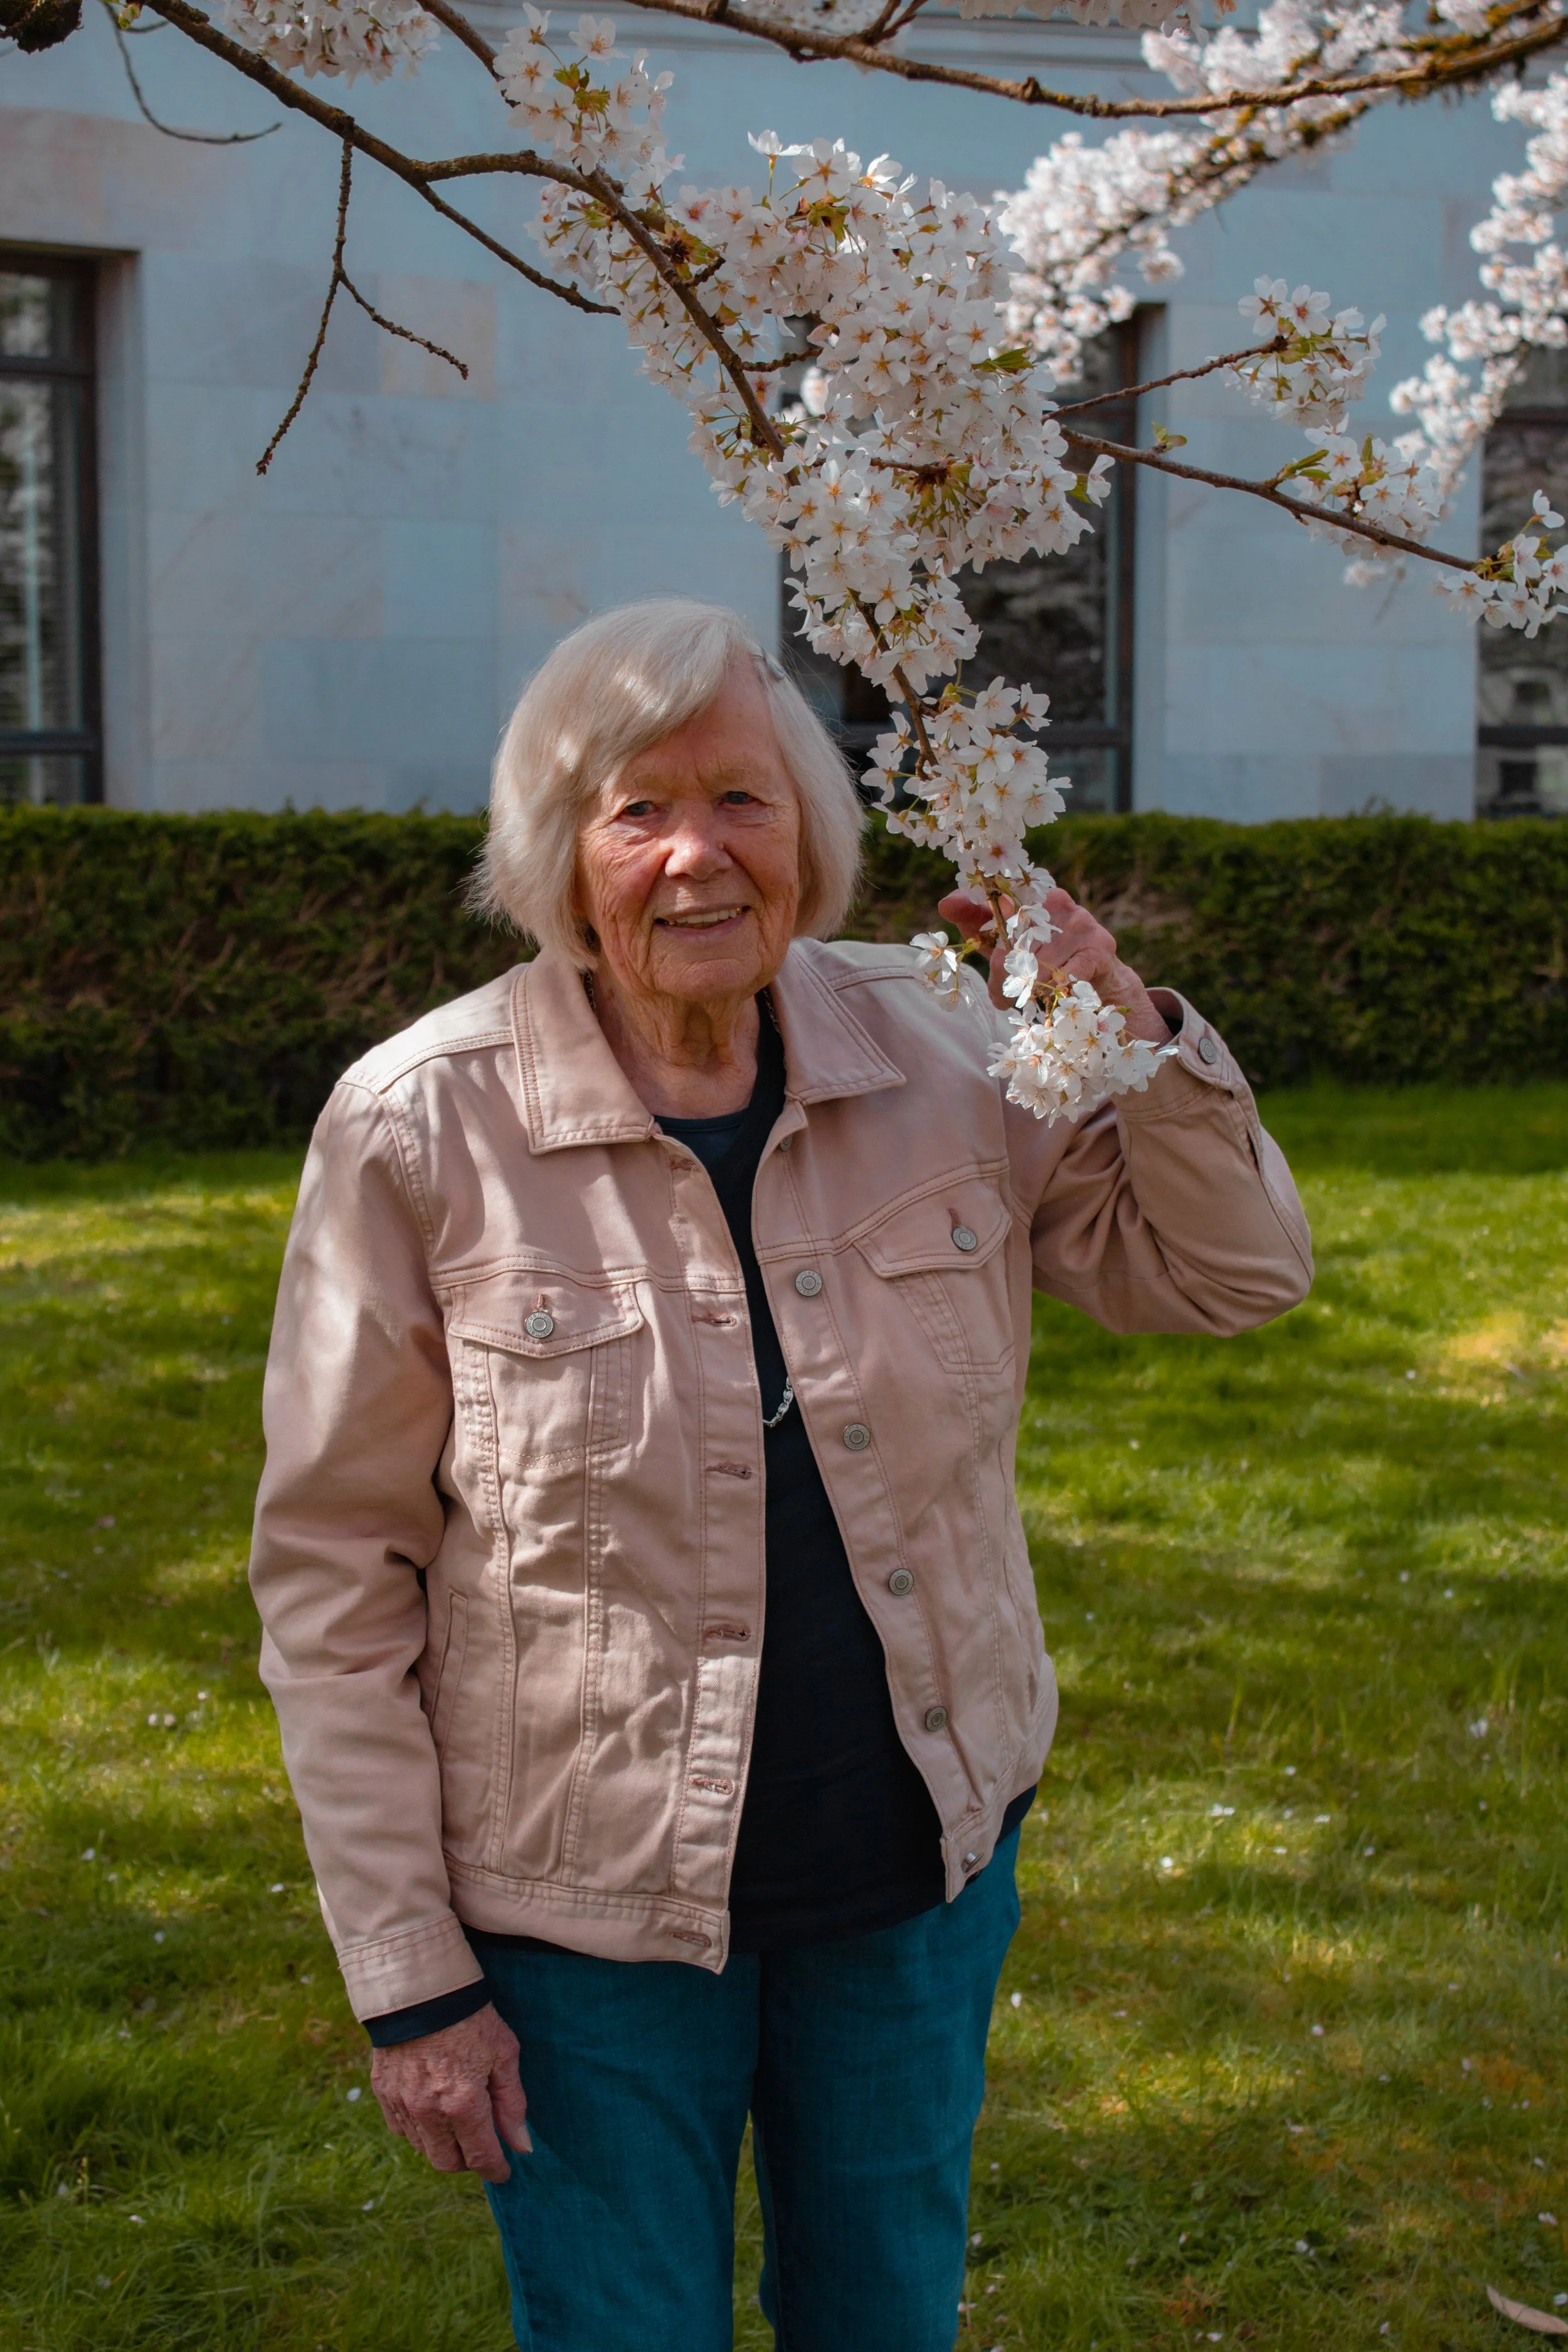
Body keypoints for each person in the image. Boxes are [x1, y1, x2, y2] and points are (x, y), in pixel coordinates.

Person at [250, 598, 1312, 2352]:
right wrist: (409, 1977)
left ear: (811, 829)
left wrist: (1122, 1025)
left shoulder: (953, 1044)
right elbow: (334, 1580)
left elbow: (1230, 1271)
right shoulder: (418, 1124)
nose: (694, 855)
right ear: (556, 852)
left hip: (910, 1880)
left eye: (740, 799)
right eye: (633, 808)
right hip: (582, 1931)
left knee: (883, 2314)